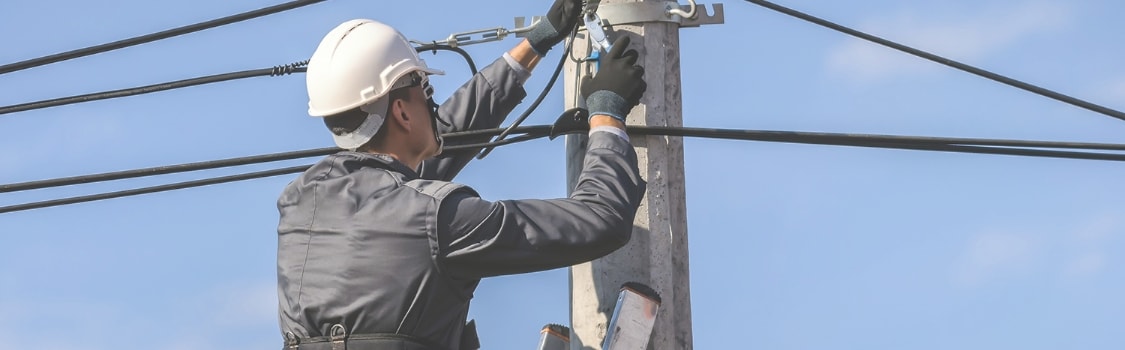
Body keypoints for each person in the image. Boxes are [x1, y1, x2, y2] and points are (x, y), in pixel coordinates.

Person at [276, 1, 648, 348]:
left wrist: (536, 42)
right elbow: (601, 219)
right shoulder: (437, 219)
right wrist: (607, 114)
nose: (433, 101)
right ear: (403, 113)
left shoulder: (301, 201)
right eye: (426, 89)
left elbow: (435, 143)